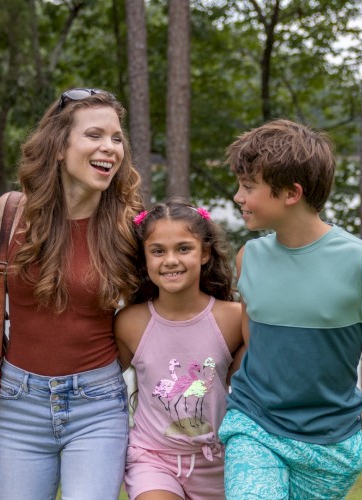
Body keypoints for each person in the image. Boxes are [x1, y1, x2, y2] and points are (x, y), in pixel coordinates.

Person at [0, 87, 143, 498]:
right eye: (94, 135)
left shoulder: (129, 230)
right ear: (60, 146)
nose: (109, 148)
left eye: (116, 138)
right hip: (18, 404)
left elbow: (166, 313)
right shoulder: (12, 214)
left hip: (97, 405)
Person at [219, 119, 362, 498]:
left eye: (248, 187)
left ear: (291, 193)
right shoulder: (248, 258)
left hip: (331, 446)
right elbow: (253, 340)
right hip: (254, 427)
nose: (238, 197)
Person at [115, 201, 246, 500]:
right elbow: (103, 387)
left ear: (205, 253)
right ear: (145, 258)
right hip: (152, 457)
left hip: (218, 461)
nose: (170, 260)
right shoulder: (130, 322)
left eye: (184, 248)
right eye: (158, 251)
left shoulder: (234, 318)